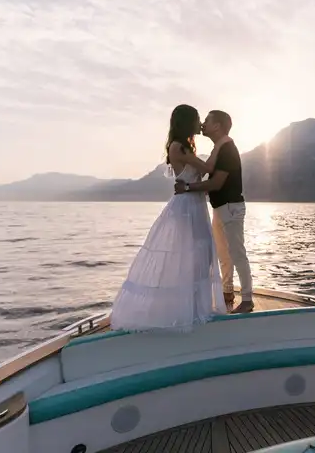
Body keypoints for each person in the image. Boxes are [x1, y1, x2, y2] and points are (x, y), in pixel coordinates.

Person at [109, 104, 228, 331]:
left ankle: (194, 307)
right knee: (189, 256)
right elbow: (209, 167)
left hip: (194, 203)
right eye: (197, 119)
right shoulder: (179, 147)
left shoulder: (184, 147)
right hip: (187, 207)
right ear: (187, 121)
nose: (200, 123)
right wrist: (222, 142)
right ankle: (188, 310)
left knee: (198, 256)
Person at [174, 110, 254, 314]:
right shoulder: (220, 147)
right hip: (220, 207)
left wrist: (188, 188)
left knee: (237, 253)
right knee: (223, 253)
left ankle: (247, 300)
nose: (202, 124)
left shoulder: (227, 148)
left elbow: (217, 183)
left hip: (231, 207)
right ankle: (227, 292)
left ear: (217, 126)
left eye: (207, 121)